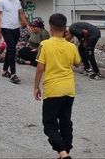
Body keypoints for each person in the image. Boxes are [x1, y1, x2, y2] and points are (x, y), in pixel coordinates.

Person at [34, 13, 81, 159]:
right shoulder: (71, 46)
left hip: (53, 90)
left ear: (50, 27)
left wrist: (36, 87)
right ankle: (65, 152)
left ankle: (63, 153)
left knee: (49, 124)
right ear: (65, 28)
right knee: (66, 121)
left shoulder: (45, 44)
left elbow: (40, 68)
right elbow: (78, 64)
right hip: (69, 89)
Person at [0, 0, 29, 84]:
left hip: (15, 28)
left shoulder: (17, 1)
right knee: (12, 49)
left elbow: (21, 13)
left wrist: (26, 25)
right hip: (6, 28)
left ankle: (5, 71)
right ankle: (13, 74)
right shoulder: (1, 1)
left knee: (10, 49)